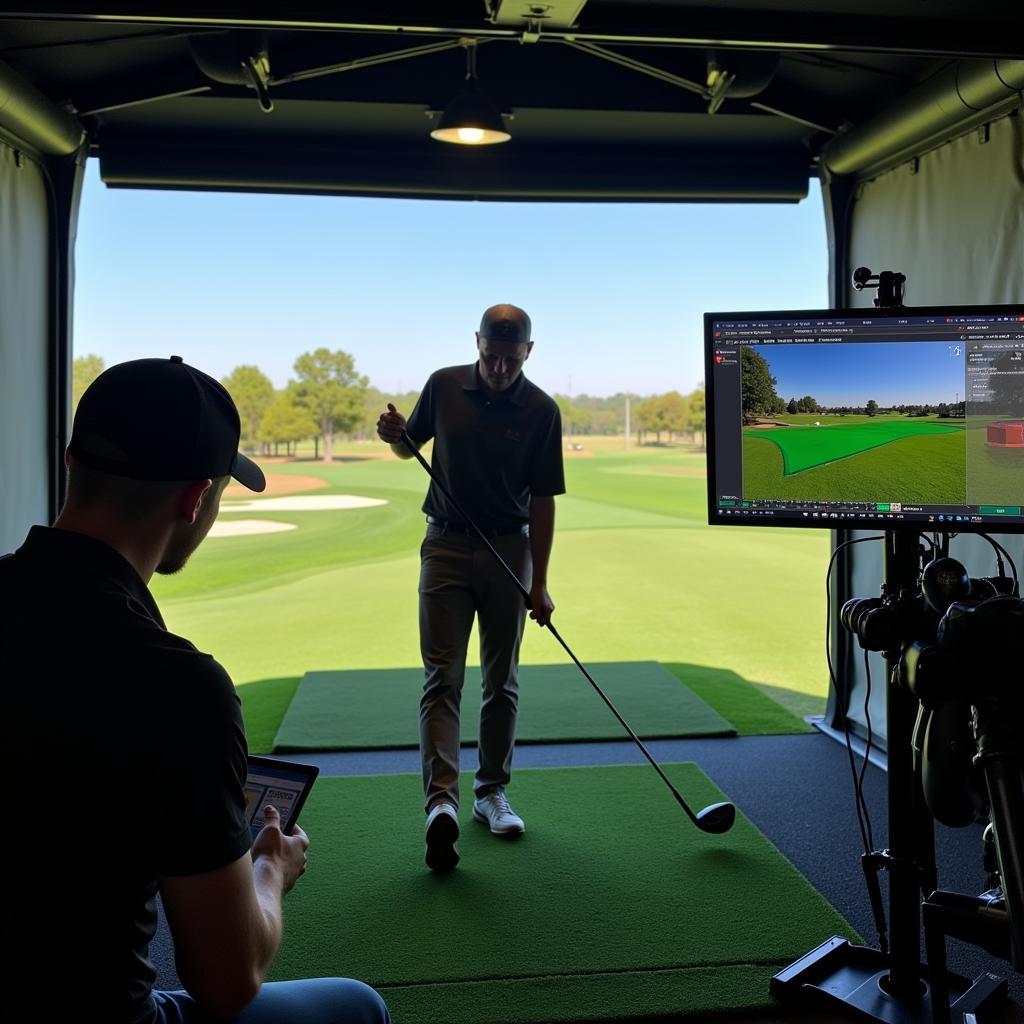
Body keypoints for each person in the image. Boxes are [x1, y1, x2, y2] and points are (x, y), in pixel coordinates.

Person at [0, 356, 389, 1024]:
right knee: (361, 1007)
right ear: (194, 498)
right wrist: (272, 870)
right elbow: (227, 980)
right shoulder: (180, 687)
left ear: (72, 461)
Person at [377, 304, 565, 872]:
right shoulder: (442, 385)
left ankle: (490, 794)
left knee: (500, 679)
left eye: (512, 357)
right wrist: (395, 437)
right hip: (445, 546)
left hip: (510, 549)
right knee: (442, 677)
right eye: (491, 354)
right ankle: (442, 805)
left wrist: (542, 583)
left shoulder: (540, 410)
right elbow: (410, 447)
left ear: (529, 351)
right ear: (476, 342)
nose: (500, 367)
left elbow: (543, 499)